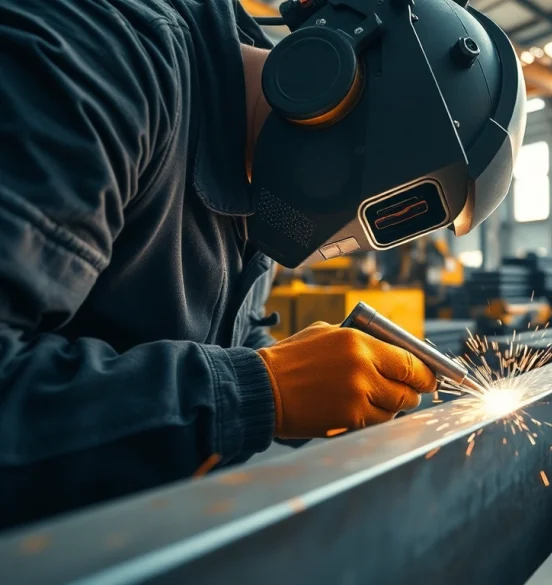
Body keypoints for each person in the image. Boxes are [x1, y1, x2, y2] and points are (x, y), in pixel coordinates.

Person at [0, 0, 522, 528]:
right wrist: (257, 390)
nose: (360, 244)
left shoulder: (261, 190)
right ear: (326, 82)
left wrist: (305, 383)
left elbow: (216, 349)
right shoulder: (101, 65)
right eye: (381, 206)